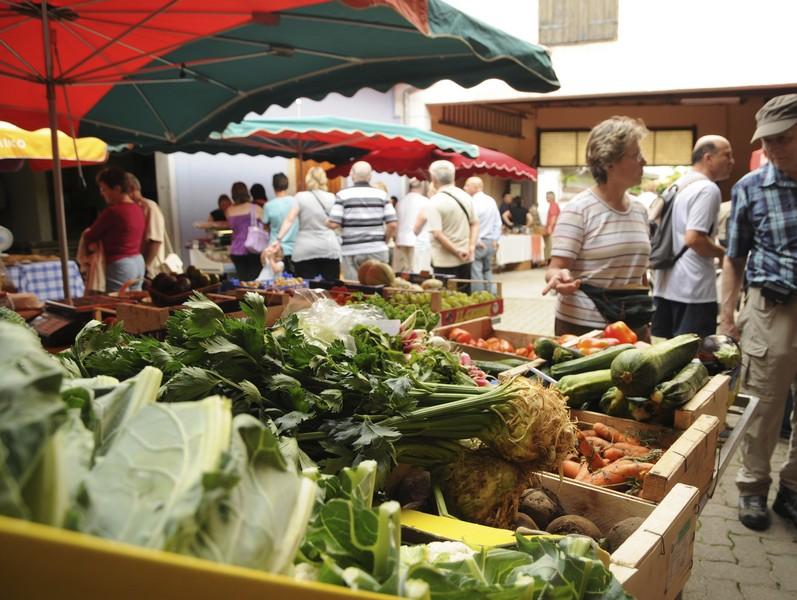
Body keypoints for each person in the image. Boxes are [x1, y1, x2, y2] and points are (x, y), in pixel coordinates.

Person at [718, 94, 797, 531]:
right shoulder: (750, 188)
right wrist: (727, 316)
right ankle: (752, 489)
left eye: (783, 139)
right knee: (765, 405)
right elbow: (735, 257)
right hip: (772, 308)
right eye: (766, 141)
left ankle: (792, 489)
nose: (772, 148)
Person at [542, 116, 652, 341]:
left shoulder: (640, 210)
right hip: (584, 329)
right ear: (609, 162)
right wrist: (559, 278)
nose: (644, 161)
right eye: (636, 155)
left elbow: (640, 275)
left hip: (633, 326)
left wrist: (644, 323)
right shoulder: (579, 210)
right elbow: (555, 269)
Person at [651, 136, 734, 339]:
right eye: (727, 155)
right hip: (693, 289)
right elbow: (694, 239)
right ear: (708, 158)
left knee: (670, 358)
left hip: (665, 284)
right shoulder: (707, 189)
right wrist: (723, 253)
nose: (732, 161)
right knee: (695, 359)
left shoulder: (678, 185)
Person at [328, 161, 396, 281]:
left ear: (352, 175)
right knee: (378, 289)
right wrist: (385, 240)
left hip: (351, 251)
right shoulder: (382, 195)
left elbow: (334, 223)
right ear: (370, 176)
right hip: (377, 249)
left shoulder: (343, 195)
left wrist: (326, 222)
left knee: (355, 291)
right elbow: (393, 224)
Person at [269, 166, 340, 281]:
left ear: (308, 179)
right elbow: (337, 222)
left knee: (305, 293)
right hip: (328, 247)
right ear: (324, 179)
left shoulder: (300, 197)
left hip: (305, 249)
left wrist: (278, 239)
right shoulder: (332, 197)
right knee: (331, 289)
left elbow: (289, 220)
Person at [84, 167, 146, 292]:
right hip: (138, 262)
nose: (102, 193)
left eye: (104, 189)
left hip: (120, 265)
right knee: (135, 307)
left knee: (116, 306)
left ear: (117, 189)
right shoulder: (137, 209)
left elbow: (91, 235)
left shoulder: (113, 212)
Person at [425, 160, 479, 291]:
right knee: (464, 300)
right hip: (466, 258)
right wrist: (471, 246)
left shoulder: (435, 201)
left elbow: (437, 234)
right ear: (453, 176)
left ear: (433, 178)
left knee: (446, 302)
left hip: (444, 262)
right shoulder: (466, 197)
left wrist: (456, 251)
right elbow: (475, 223)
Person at [126, 173, 168, 278]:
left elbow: (155, 240)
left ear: (132, 188)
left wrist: (145, 267)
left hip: (150, 270)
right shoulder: (132, 208)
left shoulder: (149, 207)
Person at [464, 176, 501, 291]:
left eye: (467, 185)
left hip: (478, 243)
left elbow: (472, 223)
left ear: (475, 187)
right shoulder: (491, 200)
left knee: (476, 272)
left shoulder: (472, 202)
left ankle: (479, 297)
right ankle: (493, 294)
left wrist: (476, 241)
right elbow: (498, 223)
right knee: (487, 270)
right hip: (490, 242)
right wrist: (495, 240)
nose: (464, 188)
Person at [226, 181, 264, 281]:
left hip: (236, 251)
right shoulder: (256, 208)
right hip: (253, 249)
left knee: (243, 281)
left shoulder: (229, 210)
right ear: (247, 193)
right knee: (255, 282)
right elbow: (266, 225)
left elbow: (231, 228)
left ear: (233, 195)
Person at [262, 172, 297, 274]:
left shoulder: (268, 206)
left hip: (275, 250)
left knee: (277, 284)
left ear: (273, 186)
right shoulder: (295, 202)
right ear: (287, 184)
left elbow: (265, 226)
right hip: (294, 248)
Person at [393, 178, 427, 273]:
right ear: (422, 186)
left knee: (400, 273)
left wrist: (396, 239)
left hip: (401, 240)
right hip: (418, 242)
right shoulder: (425, 201)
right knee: (416, 273)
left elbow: (396, 222)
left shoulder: (400, 202)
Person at [544, 191, 560, 263]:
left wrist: (550, 227)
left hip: (553, 229)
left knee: (551, 246)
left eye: (547, 197)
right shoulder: (552, 205)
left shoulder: (553, 205)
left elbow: (554, 217)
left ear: (551, 197)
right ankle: (549, 262)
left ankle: (550, 263)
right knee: (549, 246)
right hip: (552, 228)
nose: (546, 198)